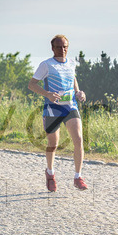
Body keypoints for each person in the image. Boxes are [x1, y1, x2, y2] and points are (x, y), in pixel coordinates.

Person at [27, 34, 88, 192]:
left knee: (79, 139)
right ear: (52, 48)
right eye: (59, 47)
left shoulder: (72, 63)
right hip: (52, 108)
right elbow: (32, 85)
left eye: (65, 47)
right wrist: (47, 94)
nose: (62, 50)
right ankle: (50, 173)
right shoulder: (46, 65)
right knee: (53, 144)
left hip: (70, 106)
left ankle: (78, 177)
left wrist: (78, 92)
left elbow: (73, 78)